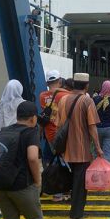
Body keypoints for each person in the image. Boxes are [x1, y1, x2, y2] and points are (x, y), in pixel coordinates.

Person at [55, 73, 104, 219]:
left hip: (65, 148)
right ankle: (76, 214)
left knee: (71, 180)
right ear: (86, 85)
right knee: (80, 183)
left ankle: (72, 209)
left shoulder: (63, 100)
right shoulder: (87, 101)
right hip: (81, 150)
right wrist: (98, 148)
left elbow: (58, 124)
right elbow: (92, 127)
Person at [38, 70, 69, 201]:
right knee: (62, 162)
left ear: (47, 82)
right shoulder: (64, 95)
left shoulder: (42, 96)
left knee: (50, 160)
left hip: (48, 133)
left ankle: (49, 187)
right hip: (61, 134)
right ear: (59, 80)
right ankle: (59, 192)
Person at [93, 80, 110, 163]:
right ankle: (106, 174)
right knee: (108, 153)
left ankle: (96, 171)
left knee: (96, 151)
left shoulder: (95, 99)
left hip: (97, 128)